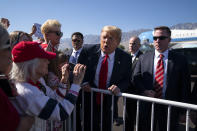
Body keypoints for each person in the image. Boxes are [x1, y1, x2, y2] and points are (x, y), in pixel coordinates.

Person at [10, 41, 86, 130]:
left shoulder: (37, 82)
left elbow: (55, 97)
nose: (48, 62)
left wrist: (64, 80)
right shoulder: (28, 91)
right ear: (32, 63)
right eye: (44, 58)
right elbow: (61, 113)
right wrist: (76, 84)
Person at [133, 26, 191, 131]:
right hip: (148, 106)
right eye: (155, 38)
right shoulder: (143, 58)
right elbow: (135, 78)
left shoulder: (180, 60)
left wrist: (183, 111)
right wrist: (144, 91)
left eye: (161, 38)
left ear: (169, 40)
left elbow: (185, 86)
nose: (157, 41)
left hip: (170, 107)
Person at [78, 25, 132, 131]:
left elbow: (127, 79)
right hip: (89, 98)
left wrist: (119, 87)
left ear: (118, 41)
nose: (106, 41)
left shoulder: (125, 58)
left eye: (111, 38)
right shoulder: (87, 50)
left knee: (106, 126)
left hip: (109, 101)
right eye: (104, 37)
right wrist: (84, 82)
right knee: (89, 126)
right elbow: (78, 69)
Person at [125, 36, 143, 131]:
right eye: (130, 43)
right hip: (127, 93)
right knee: (128, 118)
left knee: (139, 119)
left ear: (139, 46)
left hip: (137, 94)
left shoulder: (143, 57)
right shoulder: (126, 57)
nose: (131, 45)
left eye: (134, 43)